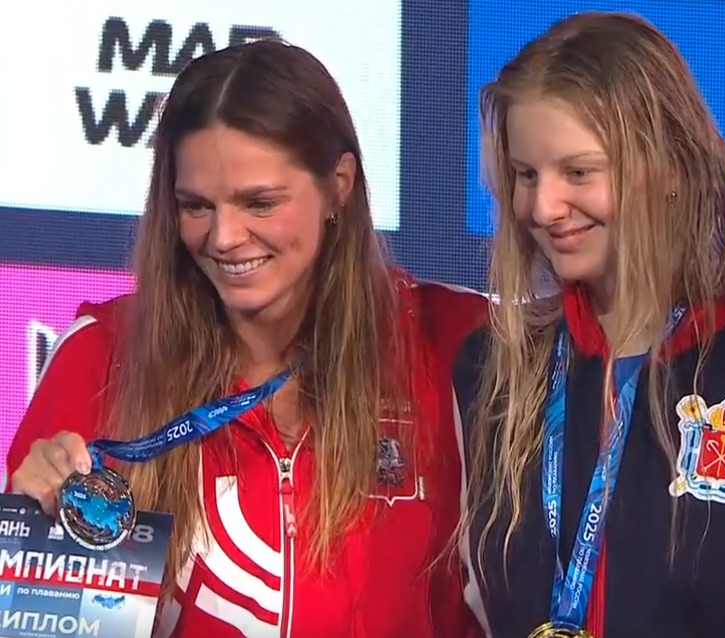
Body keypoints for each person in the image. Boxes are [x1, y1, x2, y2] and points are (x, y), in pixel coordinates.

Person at [7, 40, 485, 638]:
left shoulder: (458, 343)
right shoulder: (102, 356)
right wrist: (37, 548)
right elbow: (52, 627)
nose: (225, 237)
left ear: (339, 185)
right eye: (196, 206)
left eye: (259, 203)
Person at [452, 12, 725, 638]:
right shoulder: (490, 367)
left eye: (579, 172)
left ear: (670, 168)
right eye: (526, 174)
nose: (543, 207)